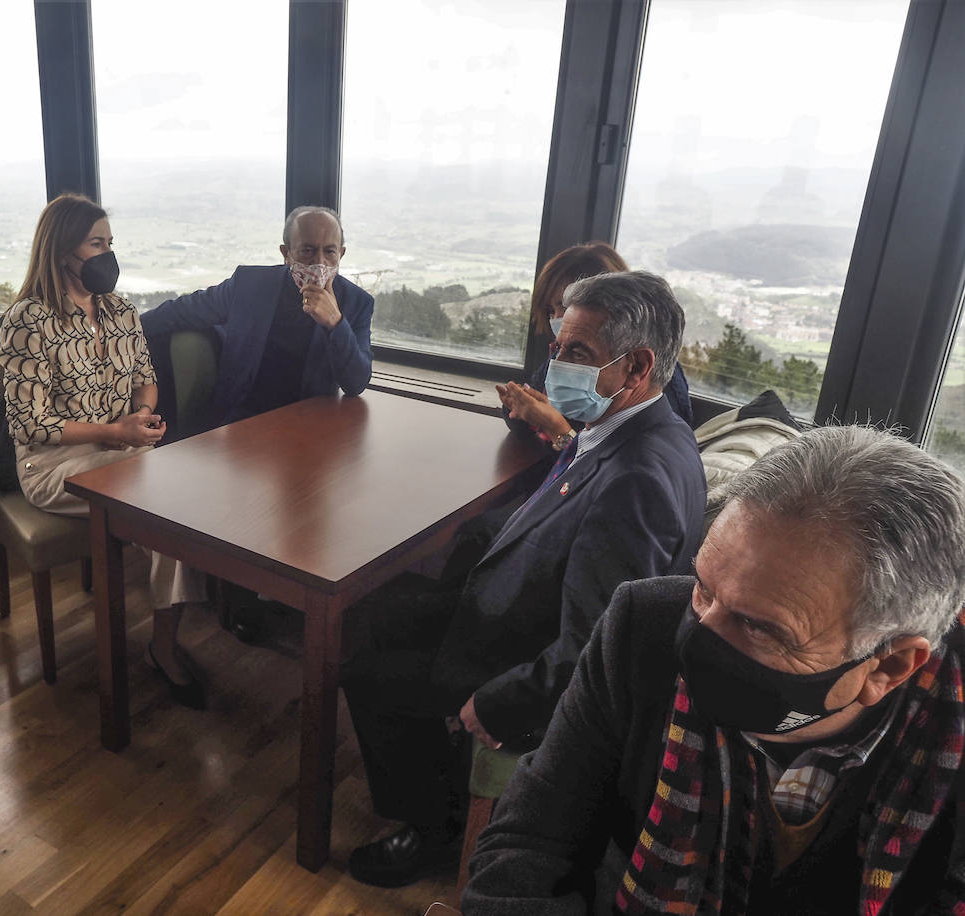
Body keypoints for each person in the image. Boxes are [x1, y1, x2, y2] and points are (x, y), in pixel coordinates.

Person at [464, 426, 965, 915]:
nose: (697, 639)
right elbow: (530, 841)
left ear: (890, 666)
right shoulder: (643, 628)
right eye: (703, 588)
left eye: (759, 627)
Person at [341, 270, 706, 887]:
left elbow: (595, 646)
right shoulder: (638, 426)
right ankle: (432, 769)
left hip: (517, 660)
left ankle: (431, 830)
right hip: (509, 610)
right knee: (375, 611)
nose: (555, 364)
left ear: (637, 366)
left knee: (367, 675)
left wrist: (499, 703)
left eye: (577, 354)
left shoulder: (639, 480)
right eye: (558, 346)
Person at [0, 193, 208, 708]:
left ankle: (163, 641)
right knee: (163, 503)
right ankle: (162, 645)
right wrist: (118, 433)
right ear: (62, 249)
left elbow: (146, 379)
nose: (107, 254)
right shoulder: (29, 320)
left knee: (173, 501)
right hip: (53, 464)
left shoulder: (119, 311)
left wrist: (140, 414)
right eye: (97, 244)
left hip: (122, 450)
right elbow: (33, 424)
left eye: (110, 243)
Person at [139, 205, 374, 430]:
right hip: (242, 419)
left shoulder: (357, 302)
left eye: (330, 251)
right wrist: (125, 329)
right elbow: (185, 311)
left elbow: (356, 383)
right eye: (308, 250)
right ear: (287, 253)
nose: (319, 262)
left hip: (312, 424)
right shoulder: (249, 284)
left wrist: (335, 323)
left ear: (341, 254)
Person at [498, 242, 692, 449]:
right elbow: (526, 410)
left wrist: (557, 429)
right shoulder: (565, 353)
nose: (556, 318)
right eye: (550, 311)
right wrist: (522, 407)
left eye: (564, 307)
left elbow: (606, 463)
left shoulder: (656, 386)